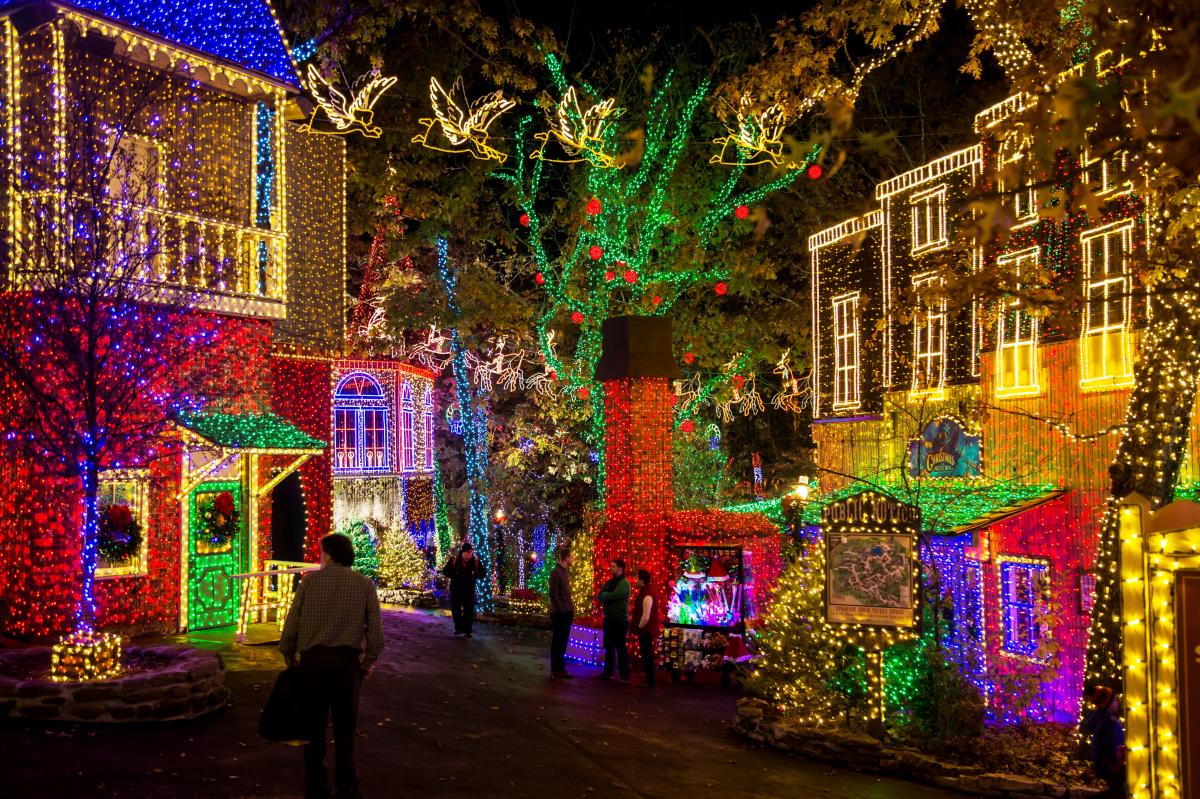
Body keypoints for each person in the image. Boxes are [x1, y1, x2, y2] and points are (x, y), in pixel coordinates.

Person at [280, 533, 383, 799]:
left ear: (329, 554)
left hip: (312, 664)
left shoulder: (309, 583)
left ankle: (316, 785)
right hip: (346, 666)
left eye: (321, 552)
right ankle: (347, 786)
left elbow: (291, 624)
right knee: (344, 730)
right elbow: (376, 633)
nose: (319, 557)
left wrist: (289, 655)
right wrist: (368, 662)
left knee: (312, 727)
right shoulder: (364, 584)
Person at [1081, 683, 1127, 797]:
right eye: (1115, 700)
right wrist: (1117, 764)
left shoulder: (1100, 720)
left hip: (1104, 766)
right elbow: (1111, 747)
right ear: (1107, 703)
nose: (1117, 702)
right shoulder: (1109, 723)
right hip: (1112, 767)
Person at [596, 558, 631, 682]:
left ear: (620, 569)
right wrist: (605, 596)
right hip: (609, 619)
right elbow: (600, 595)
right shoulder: (609, 582)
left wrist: (606, 596)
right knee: (609, 647)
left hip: (620, 620)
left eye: (613, 566)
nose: (610, 568)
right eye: (610, 566)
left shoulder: (625, 583)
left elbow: (616, 595)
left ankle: (624, 676)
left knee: (621, 647)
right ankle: (608, 672)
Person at [443, 541, 486, 636]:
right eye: (467, 552)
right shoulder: (454, 560)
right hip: (456, 589)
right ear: (462, 552)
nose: (469, 555)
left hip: (469, 590)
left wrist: (475, 575)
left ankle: (467, 630)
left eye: (471, 552)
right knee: (455, 609)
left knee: (468, 611)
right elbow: (445, 571)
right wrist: (454, 575)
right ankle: (459, 627)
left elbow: (483, 573)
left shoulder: (475, 562)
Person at [631, 569, 661, 687]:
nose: (635, 581)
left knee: (647, 654)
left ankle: (650, 679)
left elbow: (646, 616)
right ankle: (649, 678)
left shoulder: (647, 595)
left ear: (642, 580)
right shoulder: (647, 592)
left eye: (637, 578)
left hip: (646, 630)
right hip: (648, 629)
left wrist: (639, 627)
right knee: (647, 653)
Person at [548, 545, 575, 678]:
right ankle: (555, 669)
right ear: (566, 558)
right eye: (572, 556)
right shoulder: (556, 572)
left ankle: (560, 668)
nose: (573, 558)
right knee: (558, 640)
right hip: (560, 613)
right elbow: (553, 594)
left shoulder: (564, 572)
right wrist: (562, 609)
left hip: (566, 610)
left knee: (563, 641)